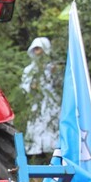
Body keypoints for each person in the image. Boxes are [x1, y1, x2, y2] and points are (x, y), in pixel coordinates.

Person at [20, 36, 60, 164]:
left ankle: (53, 153)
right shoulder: (29, 70)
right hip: (37, 104)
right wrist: (32, 86)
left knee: (52, 126)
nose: (38, 52)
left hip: (52, 104)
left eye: (40, 49)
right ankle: (36, 156)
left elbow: (59, 85)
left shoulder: (52, 68)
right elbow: (25, 87)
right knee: (36, 127)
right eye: (36, 49)